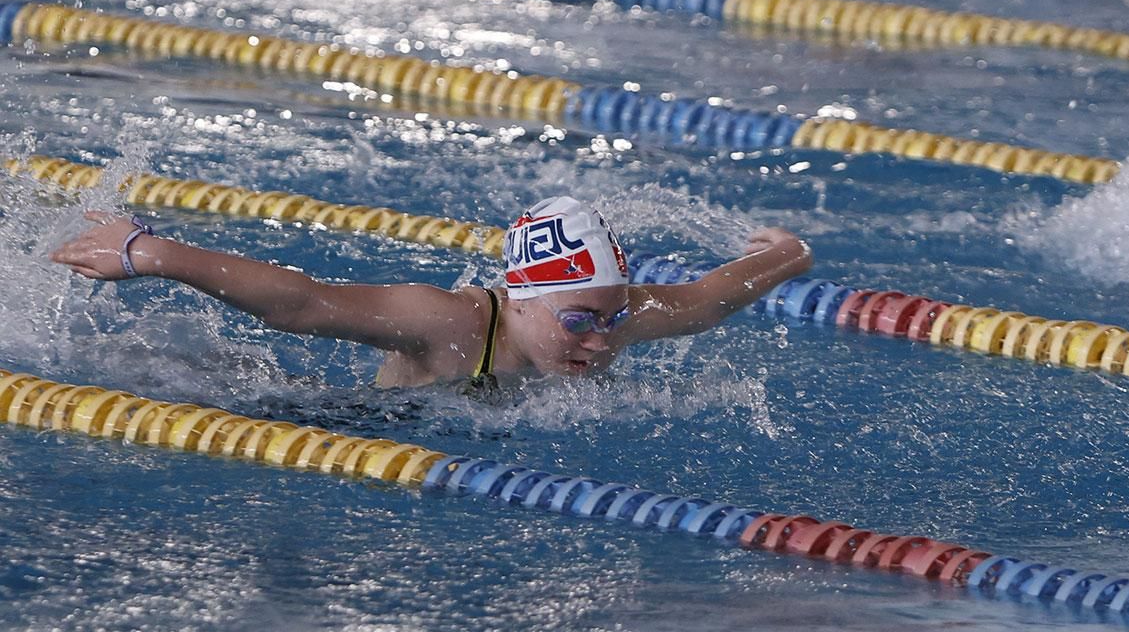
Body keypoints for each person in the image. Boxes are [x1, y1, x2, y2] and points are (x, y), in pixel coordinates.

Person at [50, 196, 813, 389]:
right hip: (360, 429)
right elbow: (303, 303)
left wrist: (787, 252)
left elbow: (712, 297)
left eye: (612, 319)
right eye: (579, 319)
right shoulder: (446, 322)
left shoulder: (617, 321)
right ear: (517, 298)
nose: (600, 340)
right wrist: (148, 251)